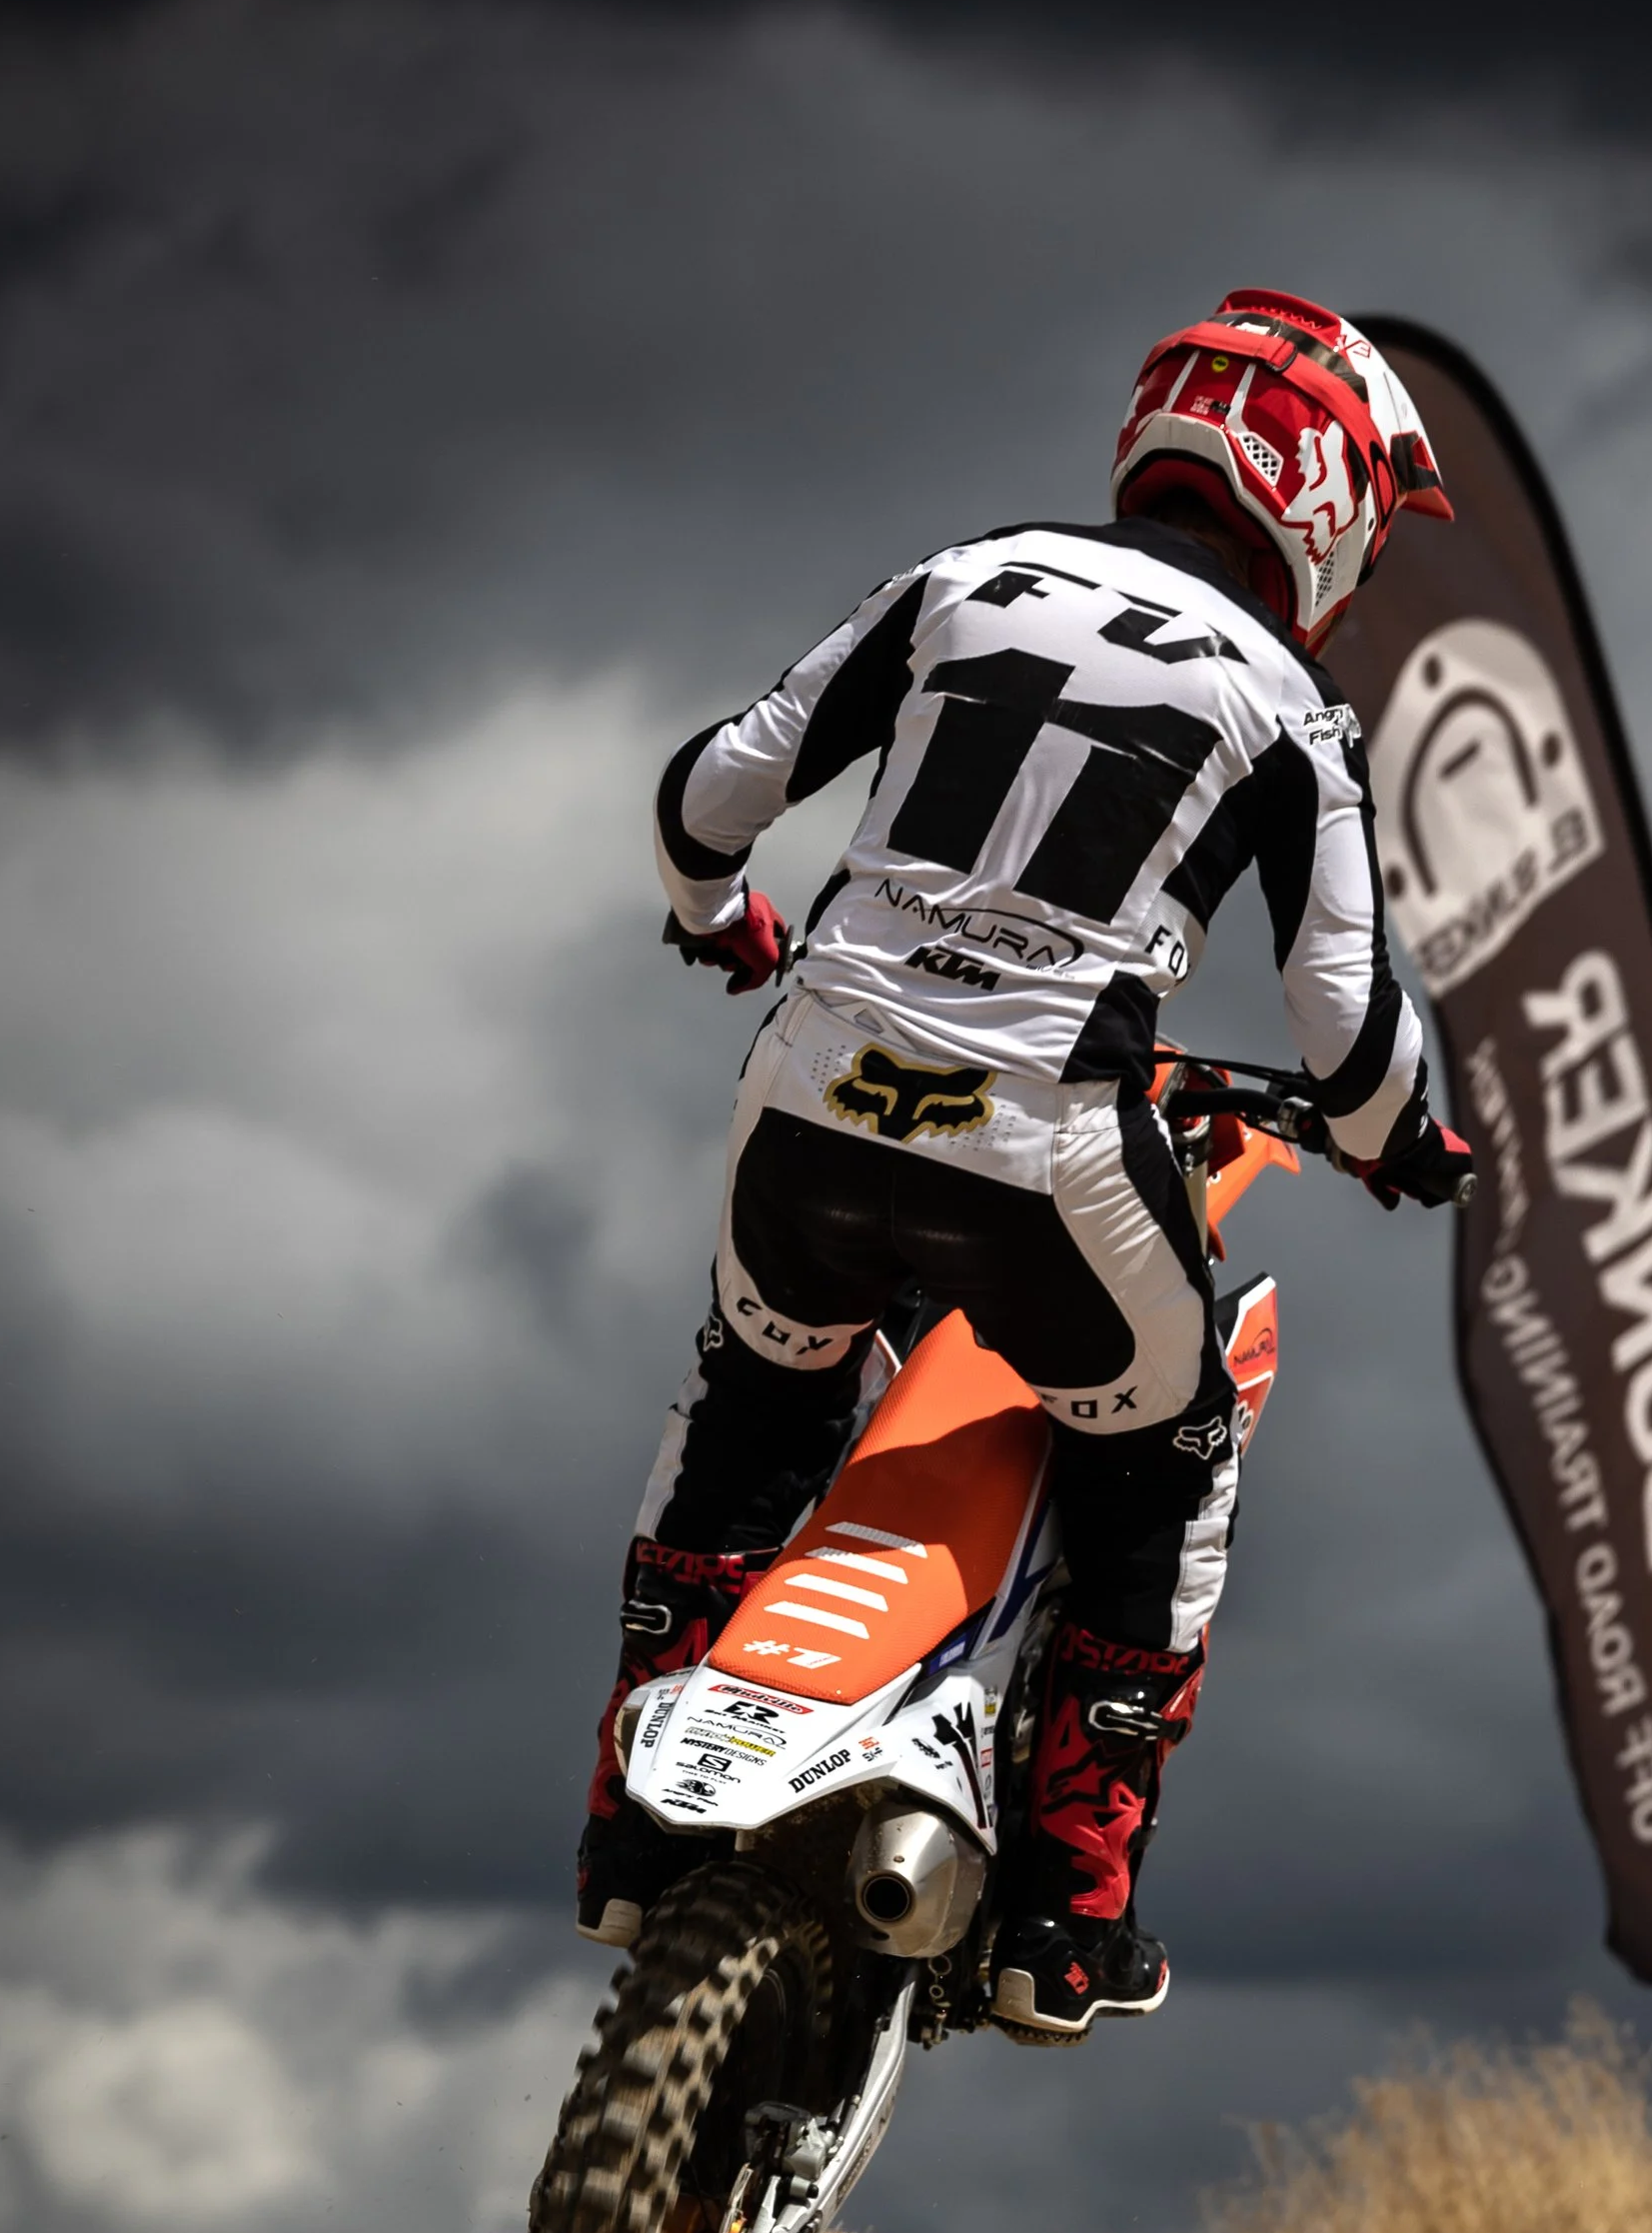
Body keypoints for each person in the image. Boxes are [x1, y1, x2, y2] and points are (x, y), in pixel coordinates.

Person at [580, 288, 1472, 2040]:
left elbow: (707, 790)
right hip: (1050, 1145)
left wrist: (722, 917)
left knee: (752, 1412)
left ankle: (632, 1828)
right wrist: (1405, 1149)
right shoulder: (1287, 701)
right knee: (1173, 1454)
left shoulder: (964, 573)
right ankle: (1068, 1910)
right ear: (1317, 500)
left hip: (813, 1093)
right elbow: (1355, 1036)